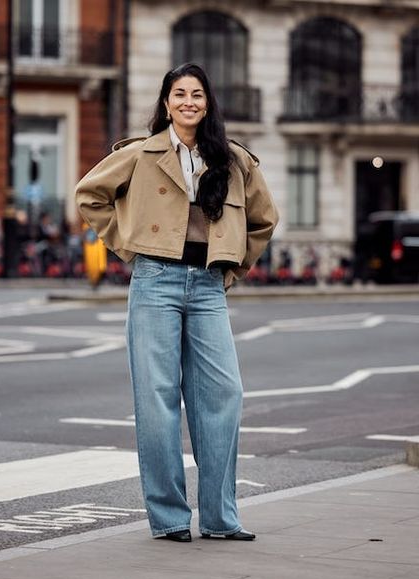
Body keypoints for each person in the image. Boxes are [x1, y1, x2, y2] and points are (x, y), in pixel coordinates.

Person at [76, 63, 278, 542]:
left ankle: (220, 518)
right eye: (180, 93)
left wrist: (233, 266)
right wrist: (128, 245)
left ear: (208, 103)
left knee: (223, 397)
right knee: (157, 399)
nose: (189, 101)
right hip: (154, 283)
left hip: (208, 287)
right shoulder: (140, 154)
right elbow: (90, 196)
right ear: (166, 102)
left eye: (198, 94)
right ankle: (168, 517)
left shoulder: (232, 159)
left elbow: (263, 220)